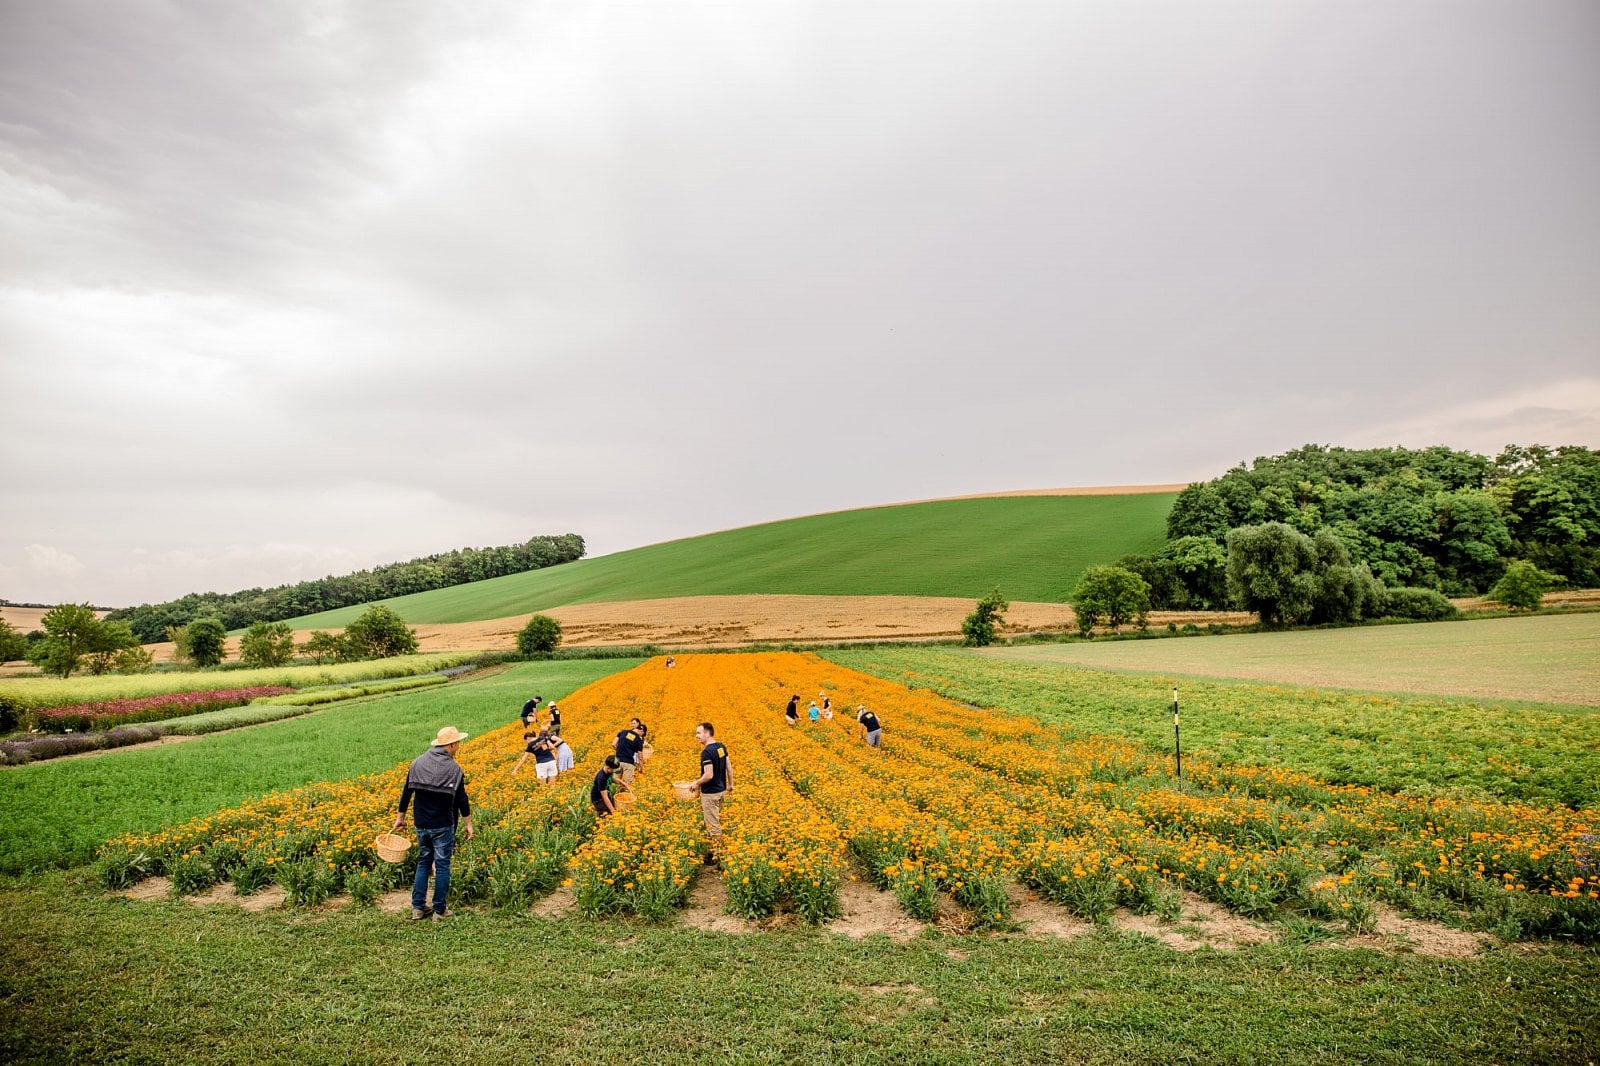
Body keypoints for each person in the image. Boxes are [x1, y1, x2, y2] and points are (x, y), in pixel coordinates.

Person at [392, 726, 474, 921]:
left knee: (424, 862)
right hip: (443, 824)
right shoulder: (454, 769)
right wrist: (468, 823)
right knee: (443, 865)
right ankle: (439, 910)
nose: (459, 746)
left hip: (421, 823)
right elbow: (462, 800)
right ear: (451, 745)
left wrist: (400, 817)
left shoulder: (417, 763)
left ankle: (418, 908)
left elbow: (406, 793)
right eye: (458, 743)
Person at [687, 722, 731, 863]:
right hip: (721, 791)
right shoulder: (721, 747)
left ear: (707, 733)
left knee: (712, 825)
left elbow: (708, 775)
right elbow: (729, 767)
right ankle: (715, 851)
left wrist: (696, 783)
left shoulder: (706, 752)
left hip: (710, 793)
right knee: (716, 821)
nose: (696, 736)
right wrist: (731, 784)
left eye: (699, 733)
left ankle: (719, 856)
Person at [615, 719, 645, 783]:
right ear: (641, 731)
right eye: (642, 734)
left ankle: (613, 792)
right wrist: (642, 768)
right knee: (627, 784)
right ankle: (624, 792)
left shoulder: (623, 732)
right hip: (628, 763)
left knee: (615, 781)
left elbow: (613, 744)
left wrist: (619, 751)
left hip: (617, 761)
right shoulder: (638, 739)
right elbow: (640, 757)